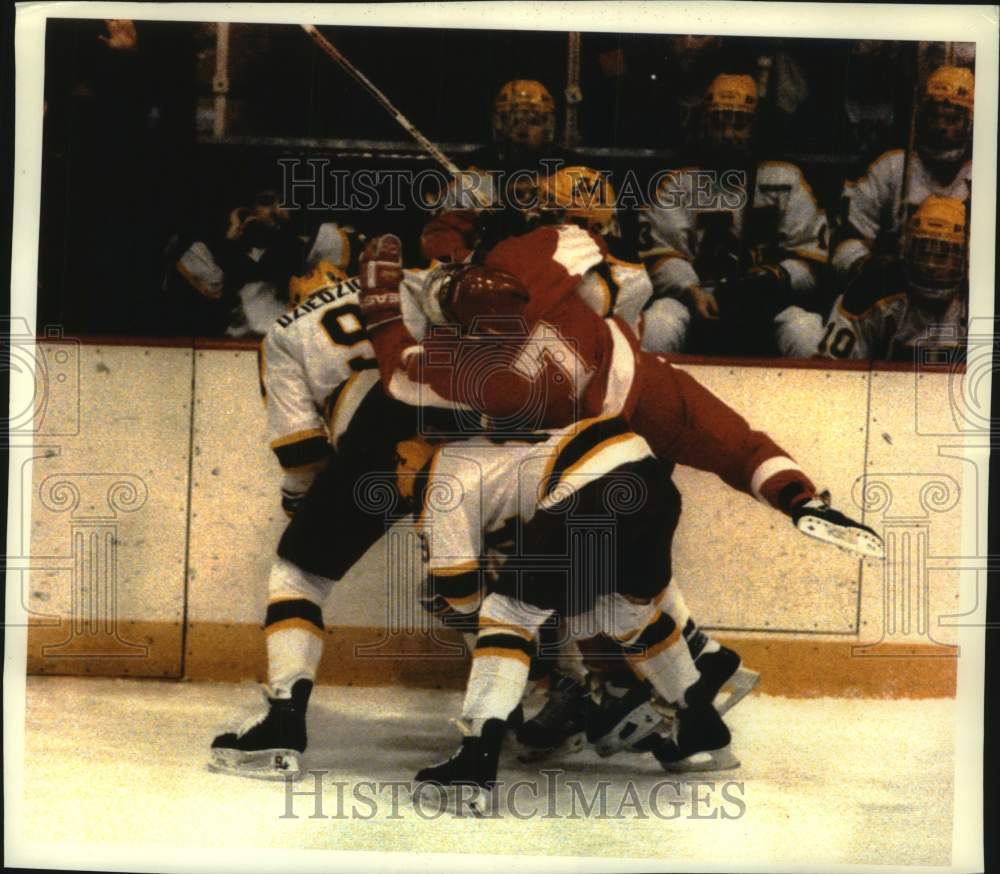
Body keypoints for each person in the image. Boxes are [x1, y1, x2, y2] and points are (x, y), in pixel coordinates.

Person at [357, 230, 884, 792]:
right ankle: (698, 714)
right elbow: (736, 444)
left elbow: (397, 367)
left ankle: (479, 756)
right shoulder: (595, 331)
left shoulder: (473, 387)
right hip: (644, 478)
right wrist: (798, 497)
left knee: (511, 613)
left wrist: (382, 304)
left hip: (584, 493)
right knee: (625, 606)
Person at [208, 264, 426, 779]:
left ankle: (284, 721)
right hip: (463, 413)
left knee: (297, 571)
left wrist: (302, 505)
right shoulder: (405, 279)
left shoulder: (284, 331)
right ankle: (521, 706)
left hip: (377, 431)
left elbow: (302, 452)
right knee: (473, 576)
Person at [638, 73, 830, 357]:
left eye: (738, 124)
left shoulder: (786, 178)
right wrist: (692, 291)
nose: (727, 134)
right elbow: (663, 255)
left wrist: (773, 279)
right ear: (703, 125)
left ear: (756, 127)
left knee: (805, 330)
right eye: (718, 123)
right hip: (697, 298)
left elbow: (811, 258)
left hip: (767, 303)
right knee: (659, 323)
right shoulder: (678, 182)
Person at [832, 66, 973, 288]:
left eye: (952, 119)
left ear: (970, 125)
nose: (941, 126)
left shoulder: (981, 176)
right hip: (894, 291)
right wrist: (868, 268)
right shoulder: (891, 167)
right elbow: (846, 244)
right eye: (933, 117)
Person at [818, 195, 967, 362]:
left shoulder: (980, 298)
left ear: (963, 257)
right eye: (924, 253)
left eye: (942, 255)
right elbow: (835, 371)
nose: (931, 265)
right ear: (908, 250)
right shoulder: (873, 288)